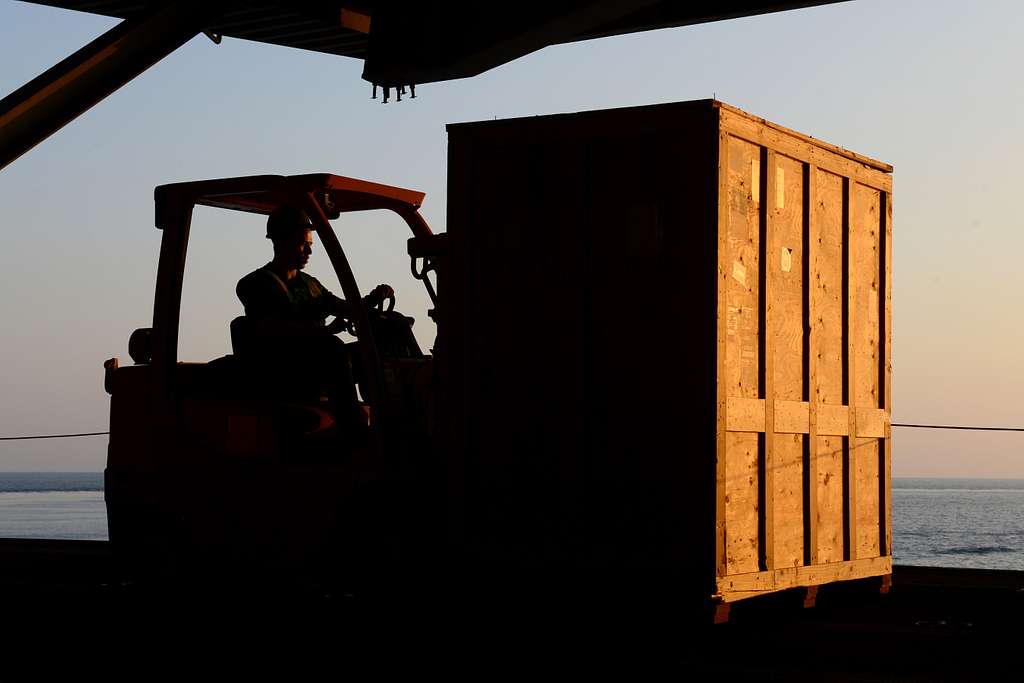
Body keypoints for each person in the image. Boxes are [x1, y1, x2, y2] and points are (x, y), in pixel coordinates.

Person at [236, 205, 393, 432]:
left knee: (371, 351)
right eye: (303, 244)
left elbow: (343, 308)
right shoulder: (256, 284)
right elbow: (272, 329)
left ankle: (390, 418)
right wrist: (326, 331)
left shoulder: (310, 284)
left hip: (314, 363)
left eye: (310, 245)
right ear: (280, 241)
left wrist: (370, 301)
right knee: (334, 350)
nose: (309, 252)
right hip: (285, 369)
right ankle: (353, 427)